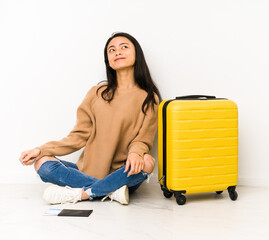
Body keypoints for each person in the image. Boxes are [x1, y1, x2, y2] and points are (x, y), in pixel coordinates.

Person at [18, 32, 161, 205]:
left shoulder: (148, 98)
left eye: (124, 47)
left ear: (136, 54)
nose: (117, 52)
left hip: (123, 174)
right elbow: (78, 136)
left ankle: (82, 194)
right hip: (87, 171)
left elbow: (143, 140)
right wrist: (41, 149)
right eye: (111, 50)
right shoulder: (96, 93)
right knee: (42, 162)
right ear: (108, 60)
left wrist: (136, 153)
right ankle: (109, 191)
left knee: (147, 161)